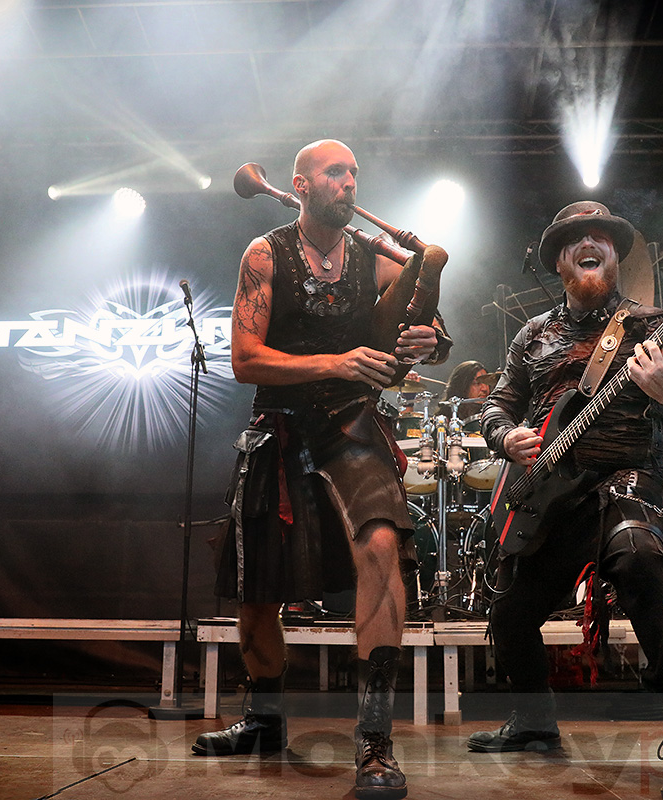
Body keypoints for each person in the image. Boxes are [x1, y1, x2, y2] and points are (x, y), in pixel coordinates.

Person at [196, 139, 448, 800]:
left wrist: (430, 340)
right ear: (301, 185)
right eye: (335, 172)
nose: (349, 181)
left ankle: (375, 742)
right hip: (278, 428)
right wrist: (335, 362)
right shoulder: (266, 254)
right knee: (257, 595)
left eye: (354, 172)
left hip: (351, 426)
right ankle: (264, 720)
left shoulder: (377, 258)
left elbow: (432, 333)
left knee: (383, 545)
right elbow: (245, 359)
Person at [466, 201, 663, 756]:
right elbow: (497, 406)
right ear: (559, 262)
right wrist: (505, 437)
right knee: (510, 610)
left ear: (615, 256)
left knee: (640, 561)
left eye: (602, 237)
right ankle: (533, 721)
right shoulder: (532, 334)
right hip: (548, 496)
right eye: (575, 239)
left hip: (623, 481)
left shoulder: (652, 325)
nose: (590, 244)